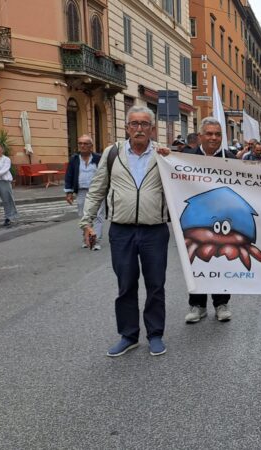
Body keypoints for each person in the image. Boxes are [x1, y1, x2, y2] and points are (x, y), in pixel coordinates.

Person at [81, 106, 170, 357]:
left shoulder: (164, 154)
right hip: (121, 231)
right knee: (126, 285)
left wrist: (173, 159)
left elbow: (183, 185)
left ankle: (155, 334)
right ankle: (128, 335)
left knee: (155, 285)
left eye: (144, 124)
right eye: (134, 124)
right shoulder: (112, 153)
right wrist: (87, 222)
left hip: (155, 230)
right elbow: (97, 189)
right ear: (126, 127)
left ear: (152, 128)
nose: (139, 129)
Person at [182, 117, 238, 323]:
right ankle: (197, 305)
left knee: (221, 260)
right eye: (209, 134)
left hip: (224, 221)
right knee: (196, 260)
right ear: (200, 136)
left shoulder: (231, 159)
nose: (214, 138)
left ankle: (221, 303)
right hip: (195, 220)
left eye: (217, 134)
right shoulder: (185, 158)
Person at [64, 134, 105, 249]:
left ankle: (96, 241)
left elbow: (105, 173)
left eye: (85, 143)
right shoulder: (74, 159)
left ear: (91, 146)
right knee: (83, 216)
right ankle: (86, 238)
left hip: (97, 191)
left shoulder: (98, 158)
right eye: (80, 143)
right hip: (81, 191)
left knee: (98, 216)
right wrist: (69, 192)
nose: (82, 146)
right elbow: (69, 175)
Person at [0, 143, 17, 227]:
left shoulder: (6, 159)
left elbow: (5, 169)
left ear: (2, 149)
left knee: (7, 200)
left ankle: (9, 218)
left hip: (4, 181)